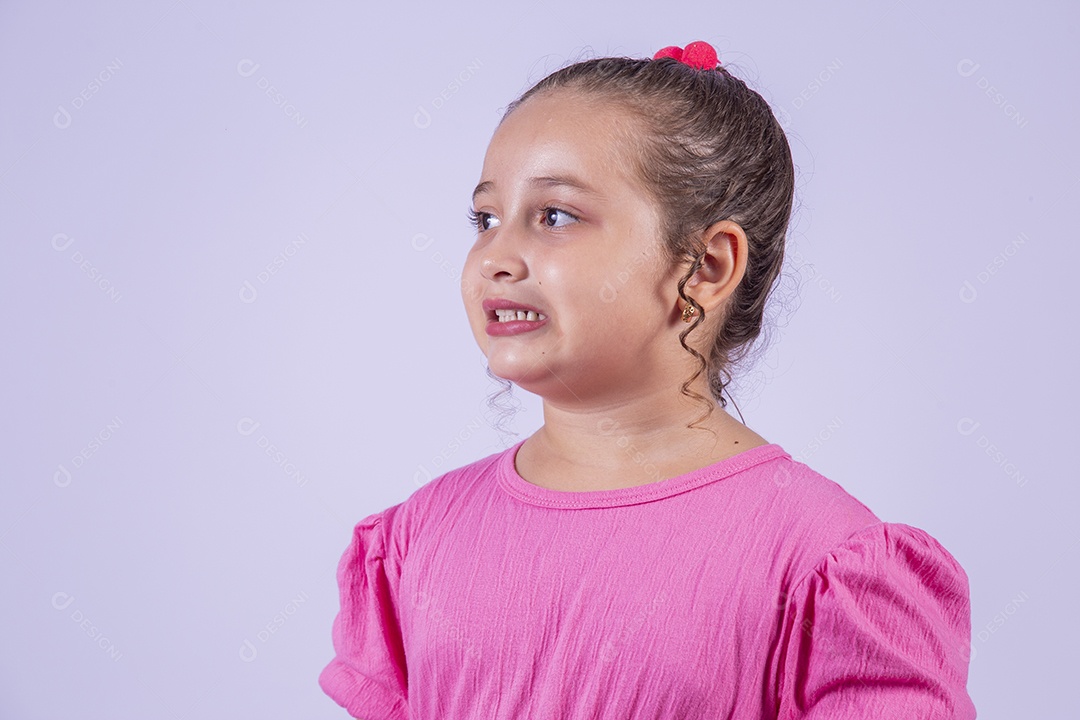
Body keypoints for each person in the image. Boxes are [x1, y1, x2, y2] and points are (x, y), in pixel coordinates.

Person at [318, 40, 977, 718]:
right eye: (486, 219)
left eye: (556, 216)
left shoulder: (824, 564)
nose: (497, 257)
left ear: (707, 266)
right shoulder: (419, 538)